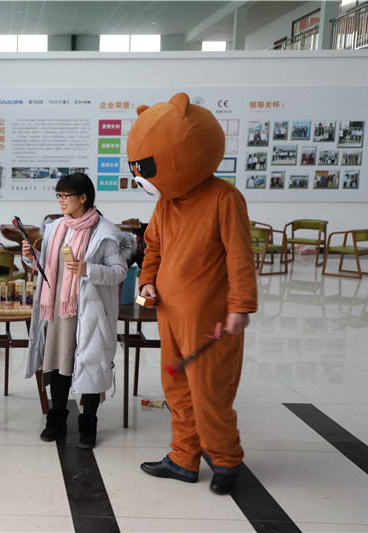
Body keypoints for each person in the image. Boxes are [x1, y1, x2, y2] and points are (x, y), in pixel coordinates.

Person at [126, 92, 257, 495]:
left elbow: (240, 257)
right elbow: (153, 247)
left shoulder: (224, 198)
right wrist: (147, 281)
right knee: (177, 388)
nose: (142, 177)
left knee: (209, 390)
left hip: (210, 318)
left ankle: (226, 459)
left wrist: (241, 306)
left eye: (146, 168)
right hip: (169, 312)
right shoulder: (166, 203)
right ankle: (184, 457)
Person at [22, 173, 136, 449]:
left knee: (92, 365)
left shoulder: (106, 233)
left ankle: (88, 425)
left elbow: (119, 272)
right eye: (58, 195)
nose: (61, 200)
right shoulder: (54, 228)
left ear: (83, 197)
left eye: (66, 195)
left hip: (91, 311)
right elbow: (48, 270)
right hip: (58, 311)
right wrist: (30, 258)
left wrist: (88, 269)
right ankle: (56, 420)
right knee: (59, 365)